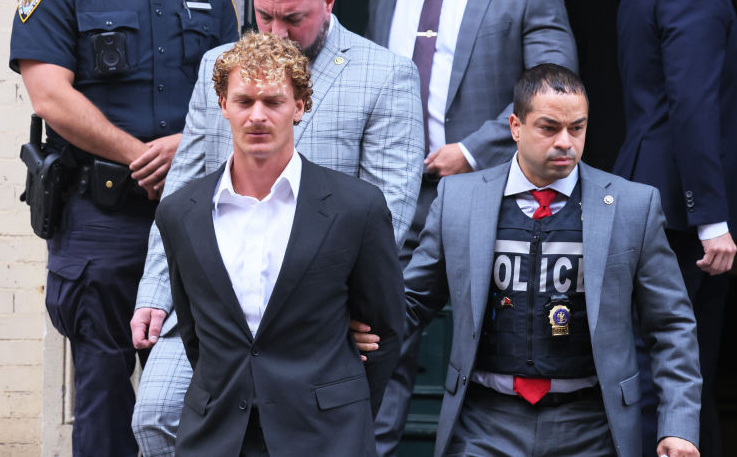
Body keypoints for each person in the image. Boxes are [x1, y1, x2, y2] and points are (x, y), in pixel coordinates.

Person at [130, 0, 424, 454]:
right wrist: (154, 291)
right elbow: (182, 185)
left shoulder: (386, 73)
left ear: (328, 3)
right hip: (219, 292)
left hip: (318, 296)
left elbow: (390, 208)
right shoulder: (218, 65)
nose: (277, 33)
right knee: (155, 417)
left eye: (293, 19)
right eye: (265, 17)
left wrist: (328, 300)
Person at [390, 63, 701, 457]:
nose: (565, 143)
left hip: (592, 426)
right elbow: (411, 303)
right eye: (549, 127)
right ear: (515, 126)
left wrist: (679, 427)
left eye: (577, 128)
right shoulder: (459, 199)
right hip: (484, 422)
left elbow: (671, 324)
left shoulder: (632, 206)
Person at [9, 2, 238, 456]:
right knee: (103, 390)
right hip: (101, 218)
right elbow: (49, 96)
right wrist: (141, 157)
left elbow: (236, 86)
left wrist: (189, 143)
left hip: (194, 215)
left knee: (205, 386)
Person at [363, 0, 578, 452]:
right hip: (389, 191)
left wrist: (474, 150)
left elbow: (555, 83)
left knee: (503, 340)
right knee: (379, 335)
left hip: (492, 192)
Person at [615, 1, 737, 455]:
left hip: (653, 187)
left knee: (673, 367)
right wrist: (710, 218)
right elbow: (692, 101)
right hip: (680, 211)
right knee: (669, 368)